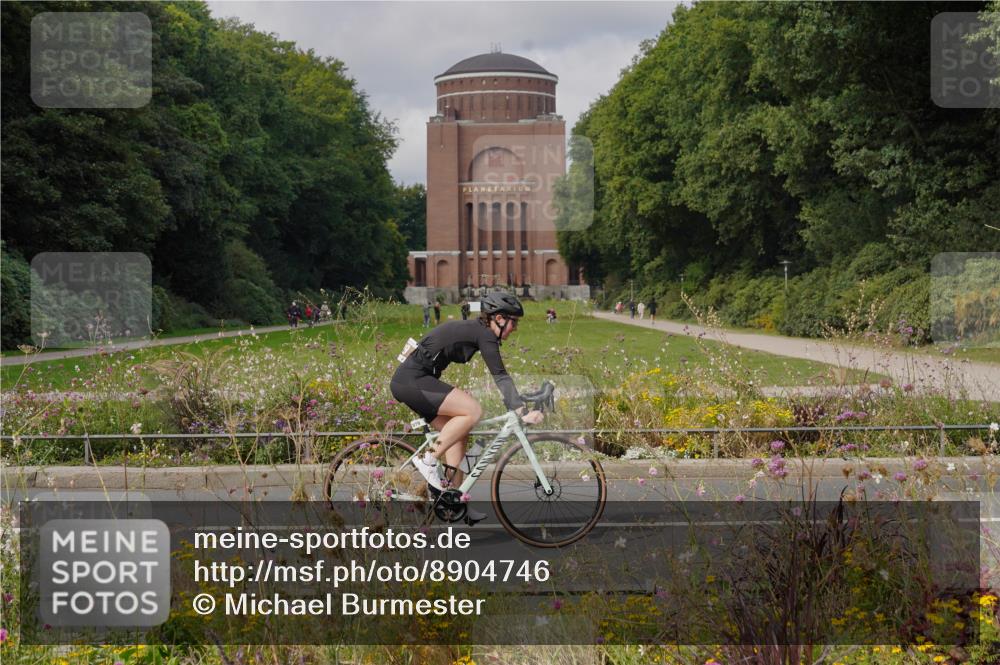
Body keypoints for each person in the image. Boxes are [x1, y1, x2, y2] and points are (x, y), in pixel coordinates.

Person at [390, 293, 544, 522]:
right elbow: (500, 374)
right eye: (514, 322)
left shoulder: (479, 330)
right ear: (499, 318)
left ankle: (454, 500)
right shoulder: (485, 334)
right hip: (412, 381)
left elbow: (500, 376)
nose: (516, 328)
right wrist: (522, 411)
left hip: (414, 381)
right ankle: (428, 460)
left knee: (459, 433)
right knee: (473, 411)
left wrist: (518, 401)